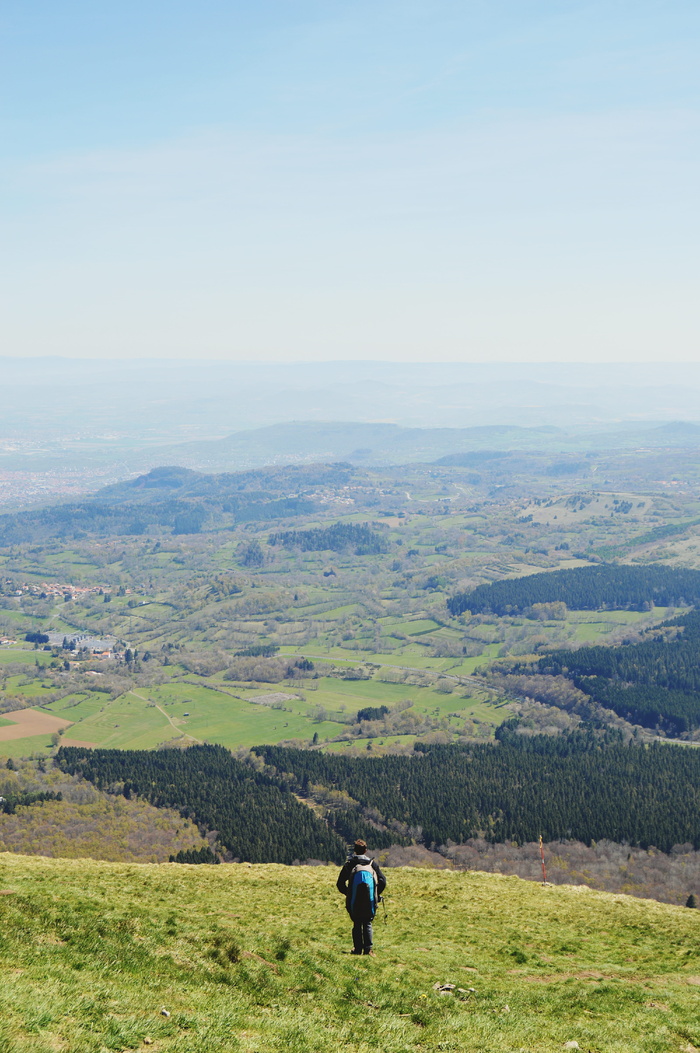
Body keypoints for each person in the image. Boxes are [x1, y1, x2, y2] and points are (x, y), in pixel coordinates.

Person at [336, 839, 386, 956]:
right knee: (367, 922)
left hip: (354, 900)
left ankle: (357, 949)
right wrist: (375, 894)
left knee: (357, 922)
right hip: (370, 899)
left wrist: (349, 893)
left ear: (355, 850)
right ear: (365, 850)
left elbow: (340, 884)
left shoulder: (350, 864)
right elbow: (383, 881)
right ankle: (368, 949)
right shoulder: (371, 864)